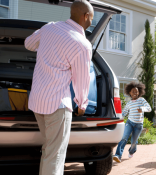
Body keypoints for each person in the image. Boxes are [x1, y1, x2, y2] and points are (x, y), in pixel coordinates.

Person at [24, 1, 94, 174]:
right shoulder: (81, 44)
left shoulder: (49, 28)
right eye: (92, 17)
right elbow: (82, 80)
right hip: (57, 104)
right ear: (86, 16)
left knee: (49, 150)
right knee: (55, 155)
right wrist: (82, 105)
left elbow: (29, 44)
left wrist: (48, 49)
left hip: (37, 101)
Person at [113, 82, 151, 163]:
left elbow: (149, 108)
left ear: (139, 92)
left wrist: (142, 109)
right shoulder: (129, 103)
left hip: (139, 125)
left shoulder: (141, 100)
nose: (135, 93)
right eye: (133, 91)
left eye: (136, 91)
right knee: (124, 138)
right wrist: (117, 118)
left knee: (134, 142)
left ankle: (131, 151)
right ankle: (118, 155)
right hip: (130, 122)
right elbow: (124, 113)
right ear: (129, 92)